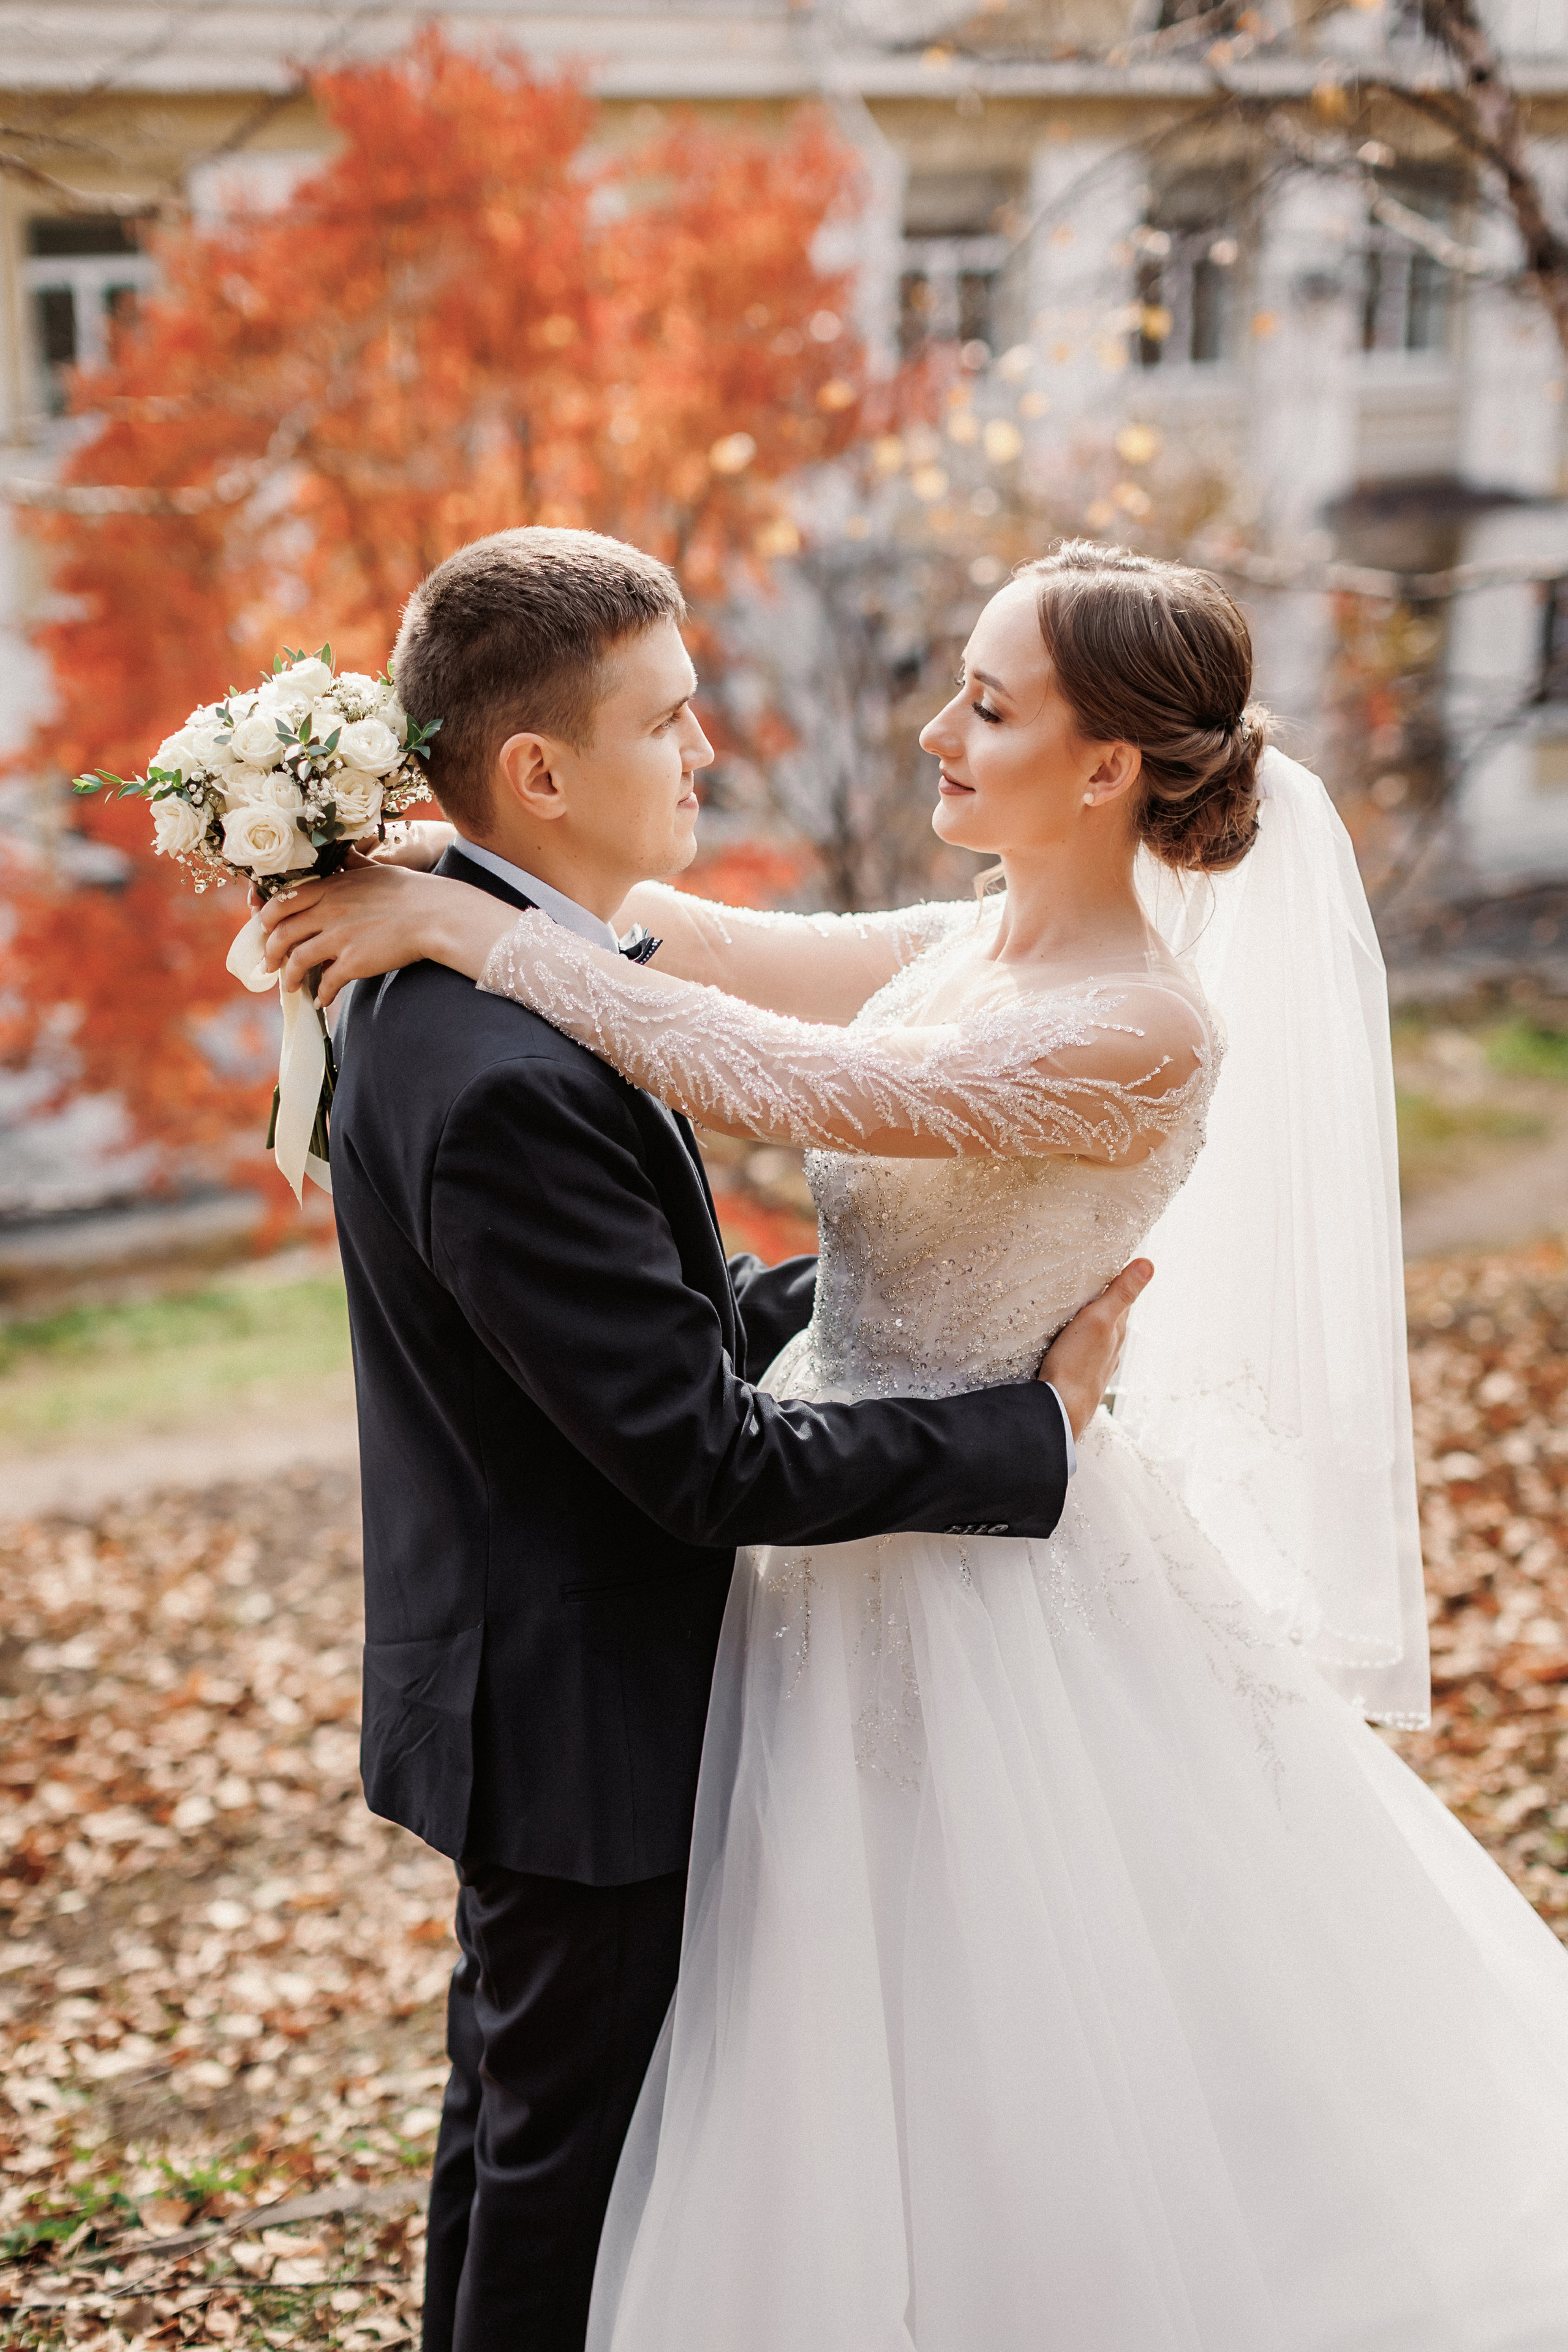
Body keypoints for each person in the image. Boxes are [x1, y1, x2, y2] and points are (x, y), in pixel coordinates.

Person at [266, 537, 1568, 2349]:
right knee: (734, 2069)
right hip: (823, 1559)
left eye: (988, 705)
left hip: (988, 1573)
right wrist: (442, 860)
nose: (935, 729)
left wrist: (482, 926)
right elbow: (692, 944)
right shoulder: (961, 943)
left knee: (1003, 2033)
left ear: (1105, 768)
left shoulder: (1138, 1024)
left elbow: (792, 1078)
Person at [273, 527, 1140, 2352]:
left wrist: (924, 1295)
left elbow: (653, 1321)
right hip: (579, 1713)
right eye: (667, 717)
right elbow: (706, 1464)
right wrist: (1026, 1429)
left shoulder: (503, 991)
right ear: (539, 773)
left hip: (535, 1675)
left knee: (519, 2134)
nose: (706, 748)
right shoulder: (502, 1063)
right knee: (569, 2180)